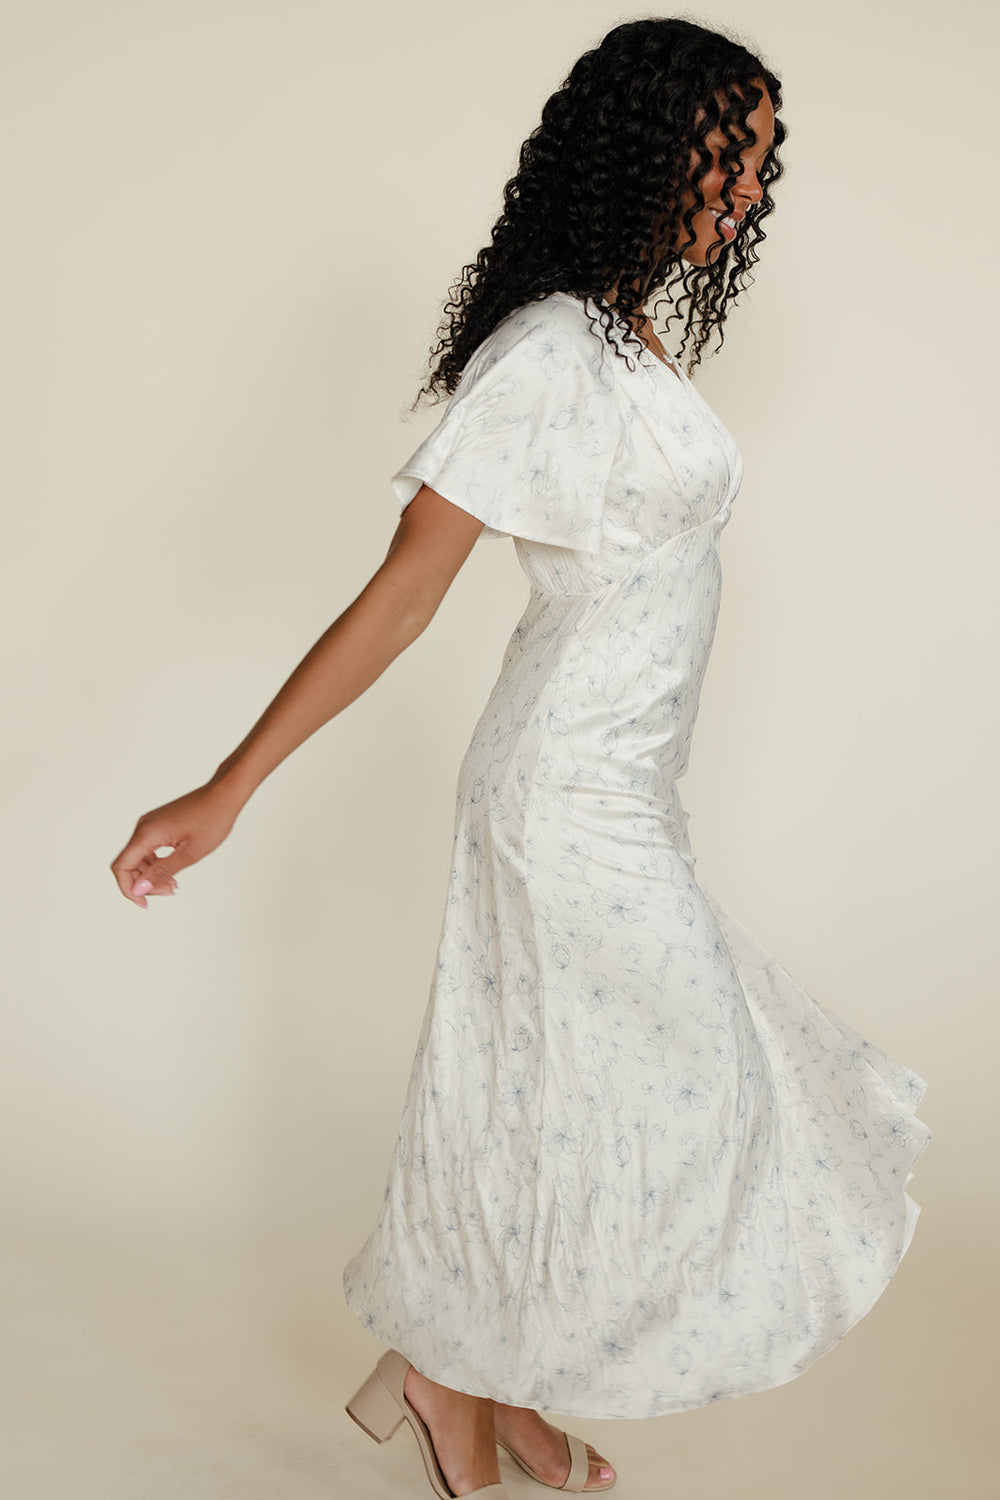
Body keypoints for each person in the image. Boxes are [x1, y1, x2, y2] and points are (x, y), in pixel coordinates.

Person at [110, 17, 933, 1500]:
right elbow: (409, 592)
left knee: (549, 1092)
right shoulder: (551, 350)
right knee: (654, 1073)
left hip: (624, 784)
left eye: (759, 167)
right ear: (642, 149)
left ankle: (475, 1370)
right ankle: (455, 1368)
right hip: (562, 793)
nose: (746, 196)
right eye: (725, 159)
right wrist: (227, 790)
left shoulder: (625, 329)